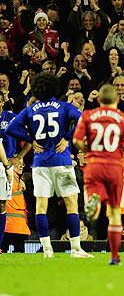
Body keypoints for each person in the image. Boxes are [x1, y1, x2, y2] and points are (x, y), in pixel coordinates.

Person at [5, 72, 92, 258]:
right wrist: (66, 138)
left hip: (40, 163)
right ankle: (76, 249)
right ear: (55, 87)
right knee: (71, 204)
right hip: (62, 161)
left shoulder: (31, 109)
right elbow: (84, 120)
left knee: (41, 206)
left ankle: (46, 250)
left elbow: (12, 128)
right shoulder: (63, 107)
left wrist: (31, 139)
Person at [73, 84, 124, 265]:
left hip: (94, 165)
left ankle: (94, 201)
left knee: (94, 215)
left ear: (99, 100)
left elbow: (77, 140)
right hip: (115, 167)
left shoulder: (88, 115)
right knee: (115, 212)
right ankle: (115, 256)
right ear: (117, 100)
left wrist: (88, 148)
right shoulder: (123, 118)